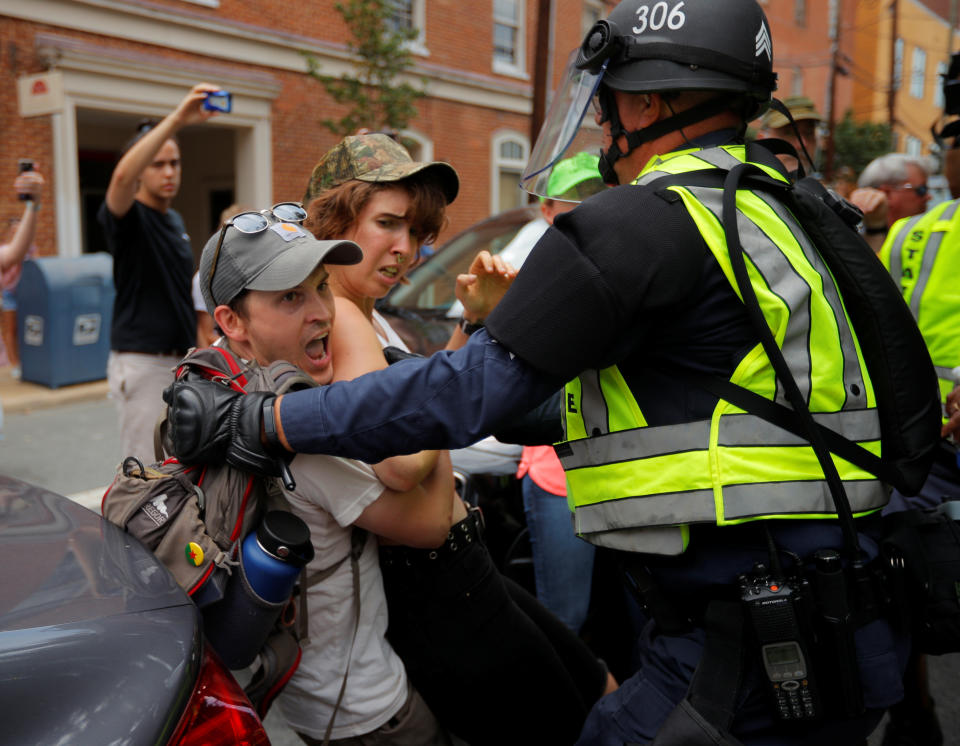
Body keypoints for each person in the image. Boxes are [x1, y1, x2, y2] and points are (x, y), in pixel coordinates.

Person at [165, 2, 912, 742]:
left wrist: (262, 419)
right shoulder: (782, 200)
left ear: (646, 100)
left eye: (611, 101)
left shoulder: (649, 219)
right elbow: (656, 407)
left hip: (752, 631)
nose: (606, 124)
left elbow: (465, 395)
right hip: (831, 611)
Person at [302, 133, 615, 745]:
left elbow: (424, 406)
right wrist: (483, 342)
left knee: (595, 685)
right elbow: (398, 457)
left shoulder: (365, 310)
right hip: (441, 591)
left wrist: (471, 324)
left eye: (416, 232)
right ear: (333, 221)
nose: (405, 250)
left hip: (461, 571)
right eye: (386, 224)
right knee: (578, 719)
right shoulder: (340, 314)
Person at [196, 204, 455, 745]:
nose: (322, 313)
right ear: (232, 321)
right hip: (367, 711)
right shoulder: (302, 440)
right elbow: (431, 523)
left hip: (302, 699)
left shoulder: (208, 396)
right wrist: (433, 400)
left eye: (320, 287)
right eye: (291, 296)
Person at [98, 83, 224, 464]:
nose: (169, 172)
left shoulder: (173, 220)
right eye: (158, 164)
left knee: (174, 470)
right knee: (144, 475)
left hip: (175, 362)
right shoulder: (129, 217)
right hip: (143, 362)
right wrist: (177, 120)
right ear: (141, 168)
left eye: (175, 163)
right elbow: (121, 180)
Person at [0, 167, 45, 371]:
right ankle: (14, 362)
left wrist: (33, 204)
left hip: (25, 294)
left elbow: (18, 254)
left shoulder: (20, 250)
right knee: (10, 329)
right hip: (10, 294)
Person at [849, 153, 932, 252]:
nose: (929, 197)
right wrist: (875, 229)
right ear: (887, 193)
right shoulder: (849, 237)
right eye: (922, 190)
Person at [755, 94, 822, 175]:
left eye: (809, 133)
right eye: (788, 133)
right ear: (762, 140)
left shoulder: (815, 187)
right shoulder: (740, 184)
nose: (802, 144)